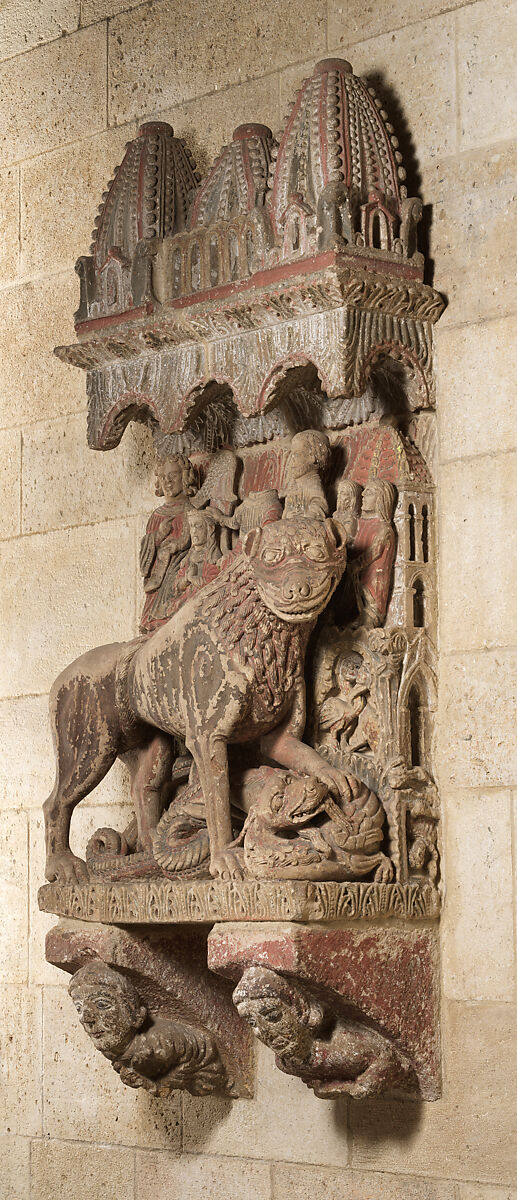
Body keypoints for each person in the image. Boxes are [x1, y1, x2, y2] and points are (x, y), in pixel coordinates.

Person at [139, 454, 196, 633]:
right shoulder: (157, 516)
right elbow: (146, 552)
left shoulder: (189, 510)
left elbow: (194, 540)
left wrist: (178, 545)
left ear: (185, 478)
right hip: (159, 575)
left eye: (173, 476)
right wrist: (159, 535)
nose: (168, 482)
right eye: (163, 478)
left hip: (179, 568)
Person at [349, 479, 397, 628]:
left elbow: (375, 551)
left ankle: (373, 618)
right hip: (361, 575)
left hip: (375, 576)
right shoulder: (363, 524)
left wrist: (356, 564)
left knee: (372, 600)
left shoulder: (384, 529)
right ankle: (360, 617)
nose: (362, 494)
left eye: (369, 492)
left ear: (380, 499)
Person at [282, 429, 330, 520]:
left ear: (312, 458)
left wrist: (308, 515)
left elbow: (320, 505)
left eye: (296, 454)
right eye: (290, 455)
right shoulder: (294, 485)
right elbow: (288, 507)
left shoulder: (312, 482)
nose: (291, 460)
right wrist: (288, 514)